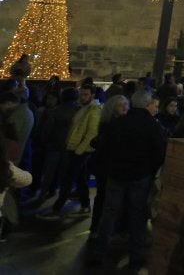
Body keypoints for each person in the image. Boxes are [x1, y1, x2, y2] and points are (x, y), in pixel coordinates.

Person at [86, 89, 166, 270]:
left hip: (116, 174)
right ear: (147, 104)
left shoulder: (118, 124)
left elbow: (104, 147)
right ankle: (135, 256)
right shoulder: (153, 127)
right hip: (140, 176)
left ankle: (99, 253)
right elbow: (159, 153)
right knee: (137, 216)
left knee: (109, 214)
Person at [43, 82, 101, 216]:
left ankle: (57, 208)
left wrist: (79, 150)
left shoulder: (93, 111)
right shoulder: (84, 108)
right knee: (79, 179)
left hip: (80, 151)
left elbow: (91, 133)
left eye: (86, 94)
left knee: (68, 180)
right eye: (81, 94)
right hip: (75, 149)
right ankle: (85, 205)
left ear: (92, 95)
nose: (83, 97)